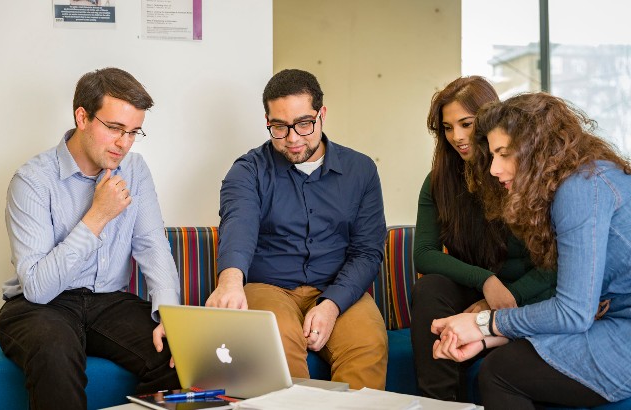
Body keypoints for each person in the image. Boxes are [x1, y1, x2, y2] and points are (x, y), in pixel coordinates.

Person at [431, 92, 631, 409]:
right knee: (501, 363)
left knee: (499, 372)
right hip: (610, 322)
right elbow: (584, 307)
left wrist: (483, 324)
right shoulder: (587, 176)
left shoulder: (579, 190)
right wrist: (485, 338)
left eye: (504, 154)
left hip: (622, 334)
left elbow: (573, 313)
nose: (494, 169)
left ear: (536, 150)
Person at [0, 67, 181, 410]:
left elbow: (152, 245)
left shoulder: (135, 170)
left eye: (133, 132)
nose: (124, 143)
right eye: (114, 128)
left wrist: (170, 313)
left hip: (107, 301)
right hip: (39, 306)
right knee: (54, 352)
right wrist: (97, 216)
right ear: (82, 117)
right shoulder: (31, 181)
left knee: (178, 354)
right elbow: (38, 287)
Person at [206, 68, 388, 390]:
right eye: (279, 126)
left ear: (322, 115)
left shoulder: (360, 170)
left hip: (339, 284)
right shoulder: (248, 170)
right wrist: (230, 282)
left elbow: (367, 251)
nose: (292, 138)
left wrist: (331, 304)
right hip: (269, 287)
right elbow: (239, 223)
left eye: (304, 123)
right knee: (278, 341)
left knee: (367, 343)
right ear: (267, 121)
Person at [410, 76, 556, 401]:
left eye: (466, 123)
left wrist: (496, 299)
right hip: (478, 288)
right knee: (430, 287)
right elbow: (424, 254)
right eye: (447, 128)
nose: (458, 137)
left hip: (525, 293)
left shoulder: (517, 173)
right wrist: (485, 281)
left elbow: (551, 265)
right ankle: (440, 405)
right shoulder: (437, 182)